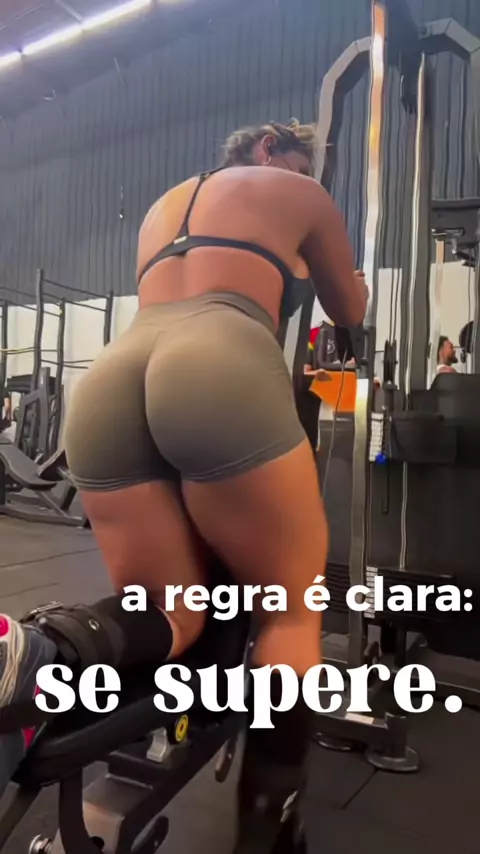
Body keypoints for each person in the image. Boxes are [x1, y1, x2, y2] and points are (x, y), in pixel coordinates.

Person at [0, 120, 367, 845]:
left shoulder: (164, 206)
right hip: (218, 361)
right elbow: (350, 310)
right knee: (292, 615)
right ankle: (268, 833)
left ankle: (37, 651)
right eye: (304, 163)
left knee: (171, 609)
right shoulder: (299, 193)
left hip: (112, 379)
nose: (308, 176)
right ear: (269, 149)